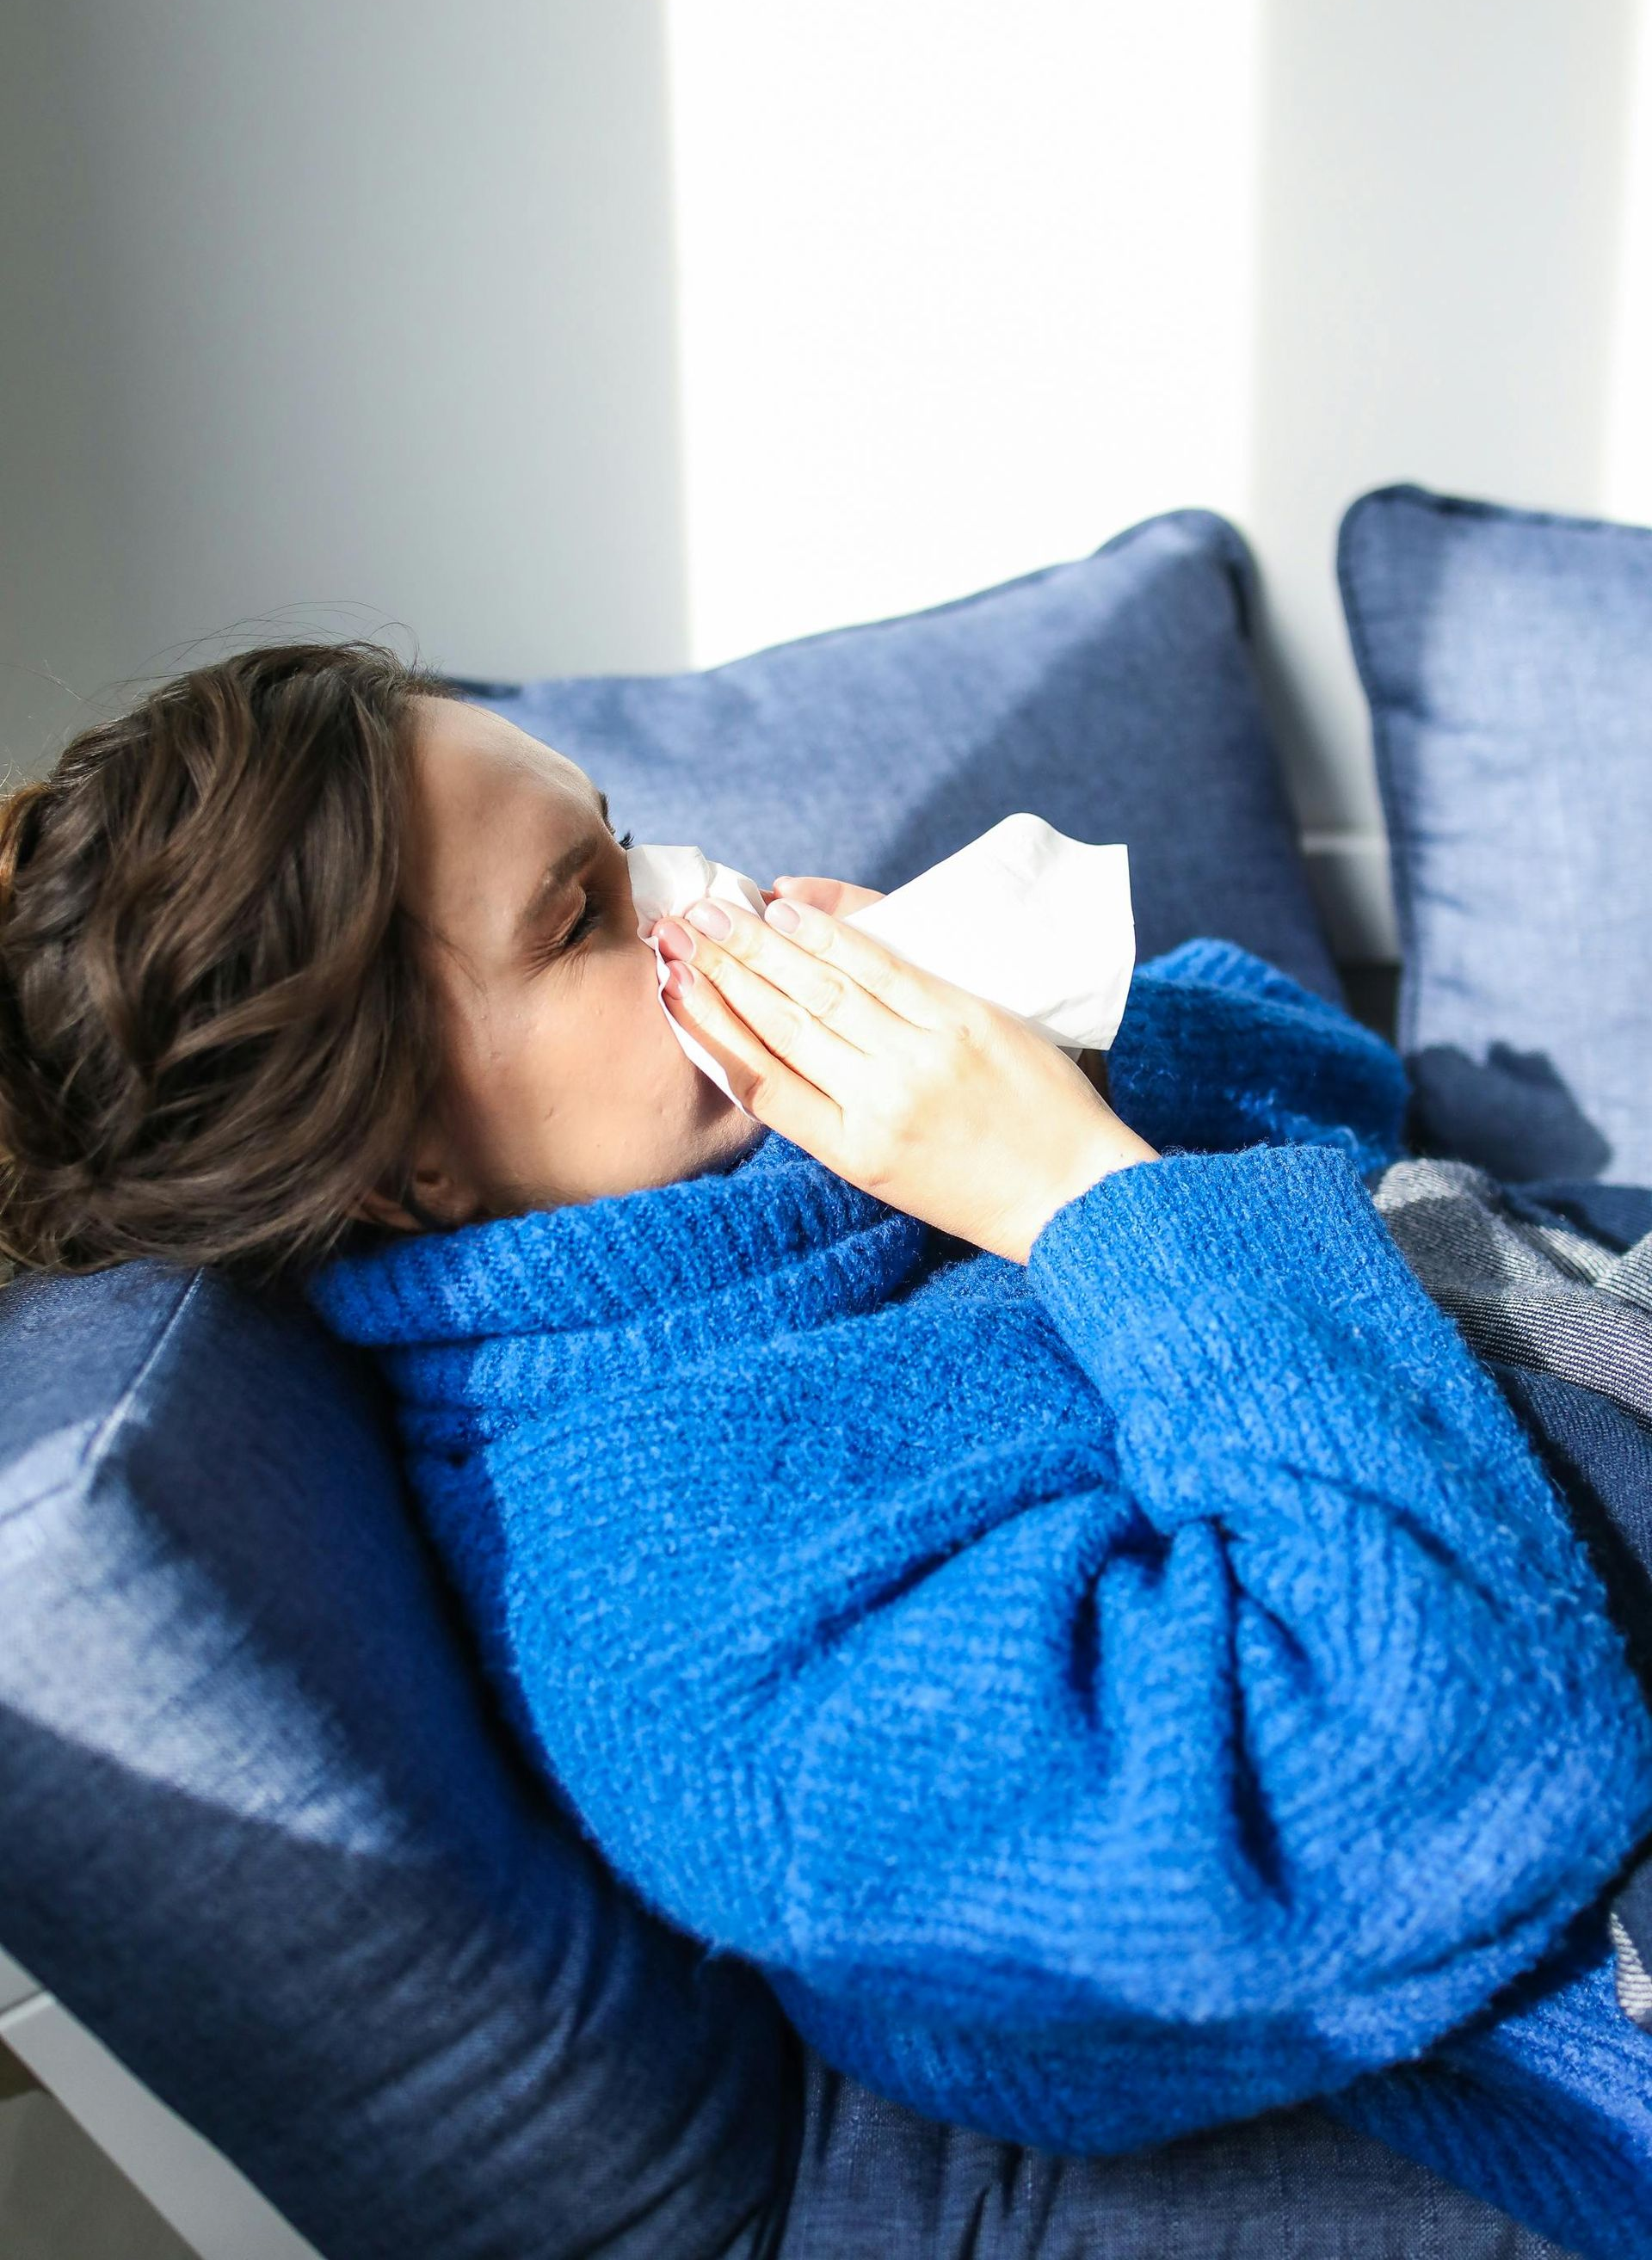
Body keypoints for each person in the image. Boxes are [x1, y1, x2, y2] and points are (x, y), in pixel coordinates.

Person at [2, 642, 1649, 2257]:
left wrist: (1053, 1052)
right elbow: (1441, 1764)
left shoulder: (801, 1178)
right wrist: (1075, 1194)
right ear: (400, 1160)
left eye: (625, 834)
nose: (703, 891)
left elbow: (1353, 1096)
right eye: (584, 915)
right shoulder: (672, 1615)